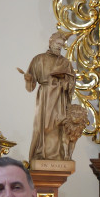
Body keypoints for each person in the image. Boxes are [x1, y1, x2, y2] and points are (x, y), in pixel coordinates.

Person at [22, 30, 77, 161]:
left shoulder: (65, 63)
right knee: (44, 127)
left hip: (60, 99)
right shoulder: (39, 59)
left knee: (59, 127)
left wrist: (65, 83)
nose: (59, 46)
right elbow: (31, 87)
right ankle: (41, 153)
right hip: (45, 97)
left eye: (62, 44)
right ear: (51, 42)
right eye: (57, 43)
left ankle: (59, 156)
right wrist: (29, 79)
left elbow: (71, 84)